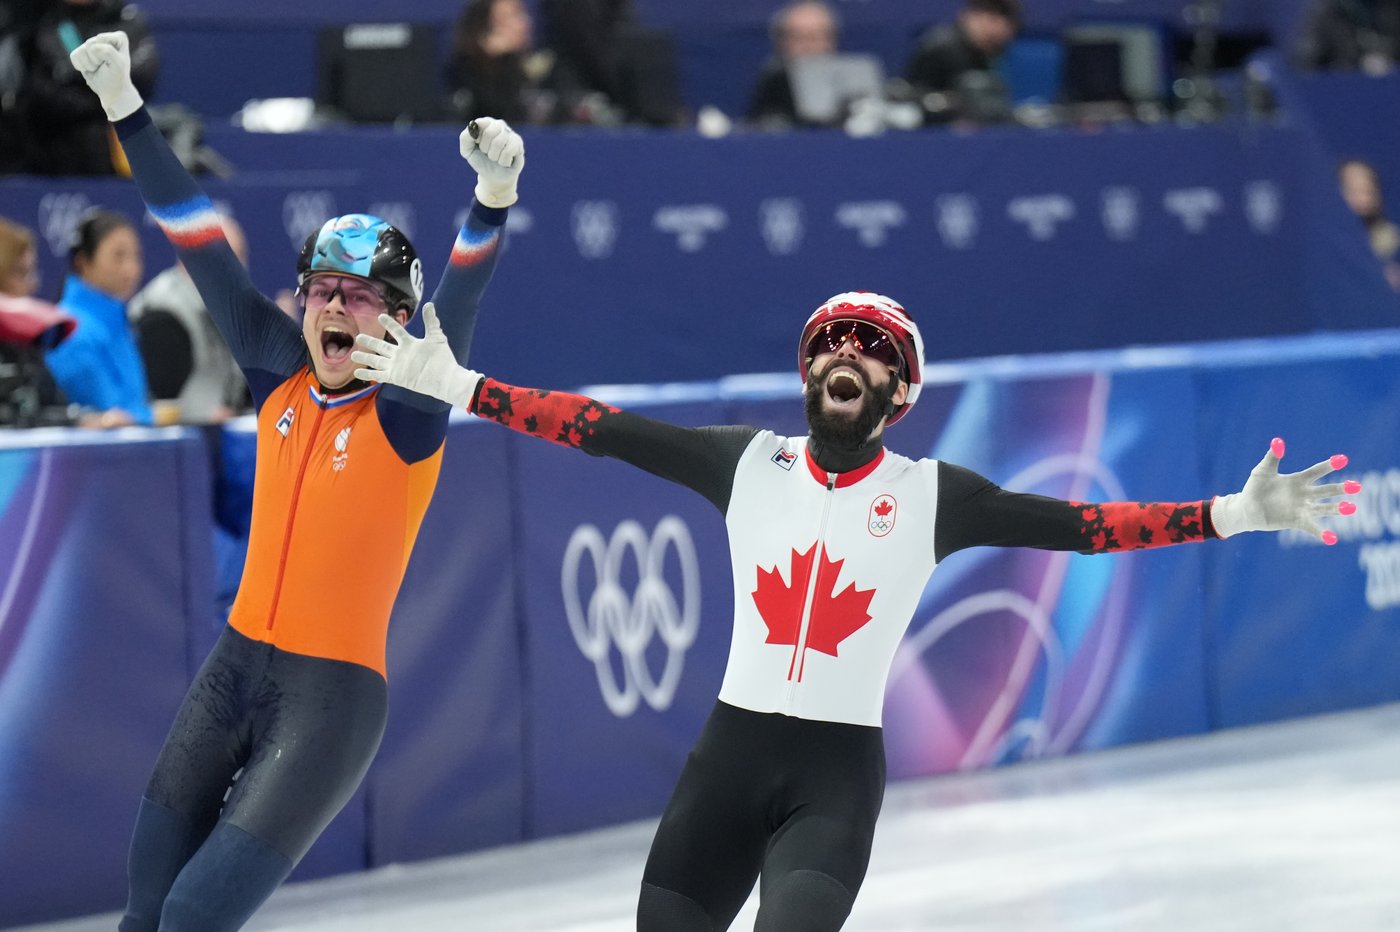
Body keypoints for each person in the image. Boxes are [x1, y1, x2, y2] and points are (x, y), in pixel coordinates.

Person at [354, 291, 1359, 931]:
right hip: (724, 765)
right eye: (830, 341)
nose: (846, 353)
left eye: (871, 348)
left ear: (900, 391)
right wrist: (457, 384)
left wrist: (1229, 513)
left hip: (831, 783)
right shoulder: (744, 463)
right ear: (806, 371)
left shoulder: (933, 496)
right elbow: (593, 427)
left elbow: (1086, 526)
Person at [69, 31, 525, 930]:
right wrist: (125, 105)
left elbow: (460, 305)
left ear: (397, 320)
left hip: (329, 703)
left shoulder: (407, 410)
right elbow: (197, 238)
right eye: (321, 290)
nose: (333, 308)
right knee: (145, 908)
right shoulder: (279, 370)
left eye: (359, 296)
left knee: (193, 916)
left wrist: (492, 202)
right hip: (234, 666)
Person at [127, 212, 250, 423]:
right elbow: (156, 401)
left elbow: (242, 389)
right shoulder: (162, 315)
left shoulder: (234, 311)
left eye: (239, 257)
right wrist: (202, 416)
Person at [44, 207, 151, 427]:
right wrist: (154, 417)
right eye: (118, 256)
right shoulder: (69, 329)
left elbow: (134, 406)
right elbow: (109, 414)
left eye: (135, 256)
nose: (131, 269)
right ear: (83, 262)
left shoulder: (120, 322)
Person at [25, 0, 158, 175]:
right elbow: (44, 89)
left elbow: (142, 74)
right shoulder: (48, 24)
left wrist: (84, 81)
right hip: (59, 143)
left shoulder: (126, 19)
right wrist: (104, 95)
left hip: (119, 134)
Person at [0, 217, 76, 426]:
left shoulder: (28, 341)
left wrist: (78, 420)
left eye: (31, 272)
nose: (32, 285)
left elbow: (50, 404)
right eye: (21, 273)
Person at [904, 0, 1020, 124]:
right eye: (987, 17)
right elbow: (914, 99)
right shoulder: (940, 49)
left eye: (1002, 20)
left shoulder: (992, 51)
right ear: (966, 16)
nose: (993, 29)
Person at [447, 0, 559, 125]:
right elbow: (497, 112)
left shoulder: (544, 67)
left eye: (521, 13)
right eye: (511, 16)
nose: (524, 23)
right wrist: (500, 60)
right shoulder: (464, 71)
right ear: (486, 30)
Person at [745, 0, 840, 128]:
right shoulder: (774, 83)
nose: (808, 47)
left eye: (814, 37)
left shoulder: (852, 85)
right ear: (781, 43)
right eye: (798, 38)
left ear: (831, 41)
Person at [1338, 158, 1400, 293]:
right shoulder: (1321, 240)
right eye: (1352, 190)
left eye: (1367, 191)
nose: (1361, 199)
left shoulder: (1391, 239)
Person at [1296, 0, 1400, 74]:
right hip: (1346, 89)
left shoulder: (1393, 8)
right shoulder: (1327, 12)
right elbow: (1307, 63)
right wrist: (1357, 64)